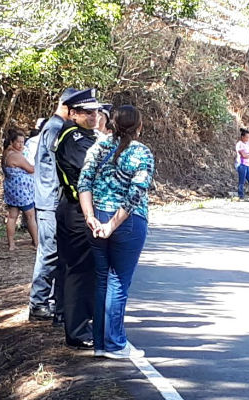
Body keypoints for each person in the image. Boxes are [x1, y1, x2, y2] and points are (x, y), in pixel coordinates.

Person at [78, 105, 154, 359]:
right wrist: (113, 224)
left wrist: (89, 216)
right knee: (119, 281)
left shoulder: (97, 147)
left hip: (96, 215)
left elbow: (84, 182)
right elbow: (136, 192)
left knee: (102, 279)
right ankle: (115, 343)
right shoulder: (141, 152)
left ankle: (101, 342)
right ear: (138, 127)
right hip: (128, 221)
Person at [55, 88, 101, 349]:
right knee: (79, 271)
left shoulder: (86, 136)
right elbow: (91, 171)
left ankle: (78, 320)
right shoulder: (73, 138)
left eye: (95, 111)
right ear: (73, 113)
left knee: (83, 269)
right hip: (76, 208)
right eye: (87, 112)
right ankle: (77, 330)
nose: (93, 116)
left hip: (79, 208)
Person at [28, 88, 77, 322]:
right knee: (49, 252)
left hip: (51, 198)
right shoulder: (56, 128)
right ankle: (38, 303)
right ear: (67, 107)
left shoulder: (54, 127)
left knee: (52, 252)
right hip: (50, 200)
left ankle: (44, 301)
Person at [2, 129, 38, 250]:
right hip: (21, 191)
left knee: (13, 215)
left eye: (23, 142)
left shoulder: (7, 153)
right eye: (18, 142)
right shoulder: (15, 156)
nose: (21, 145)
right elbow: (31, 169)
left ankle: (12, 244)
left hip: (12, 189)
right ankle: (37, 243)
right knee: (30, 216)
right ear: (12, 142)